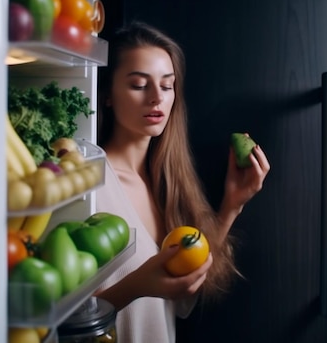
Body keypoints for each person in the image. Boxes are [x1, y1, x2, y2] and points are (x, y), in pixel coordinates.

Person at [94, 21, 270, 343]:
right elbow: (63, 320)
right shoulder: (92, 184)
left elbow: (183, 294)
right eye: (138, 84)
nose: (155, 98)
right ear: (107, 95)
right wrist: (136, 286)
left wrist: (232, 204)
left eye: (167, 85)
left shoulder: (164, 182)